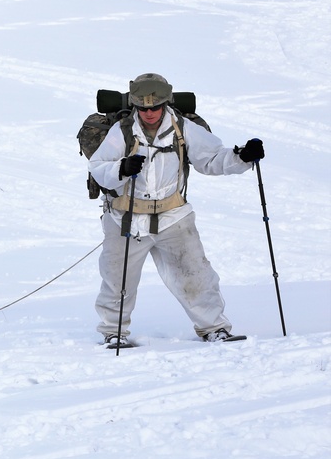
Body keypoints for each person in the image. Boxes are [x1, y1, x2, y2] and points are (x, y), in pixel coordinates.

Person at [88, 73, 265, 346]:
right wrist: (120, 168)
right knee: (117, 280)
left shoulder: (182, 126)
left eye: (155, 107)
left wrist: (242, 157)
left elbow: (212, 158)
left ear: (165, 103)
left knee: (196, 275)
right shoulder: (122, 130)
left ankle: (214, 328)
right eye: (143, 108)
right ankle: (113, 333)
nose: (149, 113)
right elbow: (98, 168)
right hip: (125, 218)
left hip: (173, 217)